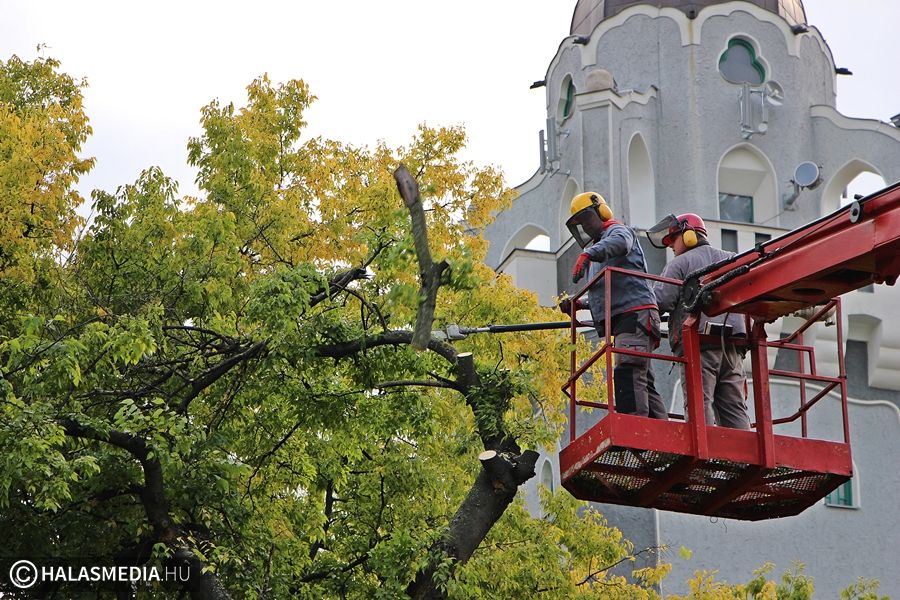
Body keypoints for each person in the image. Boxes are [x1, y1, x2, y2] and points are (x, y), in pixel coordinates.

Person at [560, 192, 668, 419]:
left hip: (634, 315)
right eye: (581, 223)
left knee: (628, 370)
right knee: (642, 378)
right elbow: (606, 292)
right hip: (629, 317)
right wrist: (579, 304)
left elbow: (621, 243)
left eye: (587, 218)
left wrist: (588, 254)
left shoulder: (618, 231)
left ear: (602, 211)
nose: (586, 226)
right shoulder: (599, 250)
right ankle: (664, 430)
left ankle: (634, 427)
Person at [647, 213, 751, 429]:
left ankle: (704, 447)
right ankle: (743, 450)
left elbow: (661, 300)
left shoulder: (680, 264)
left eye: (673, 239)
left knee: (700, 404)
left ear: (689, 236)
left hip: (699, 347)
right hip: (733, 349)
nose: (671, 246)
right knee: (735, 408)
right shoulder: (732, 259)